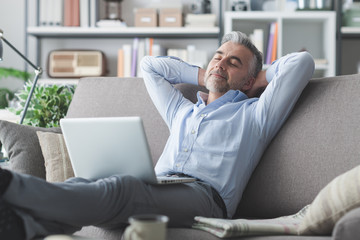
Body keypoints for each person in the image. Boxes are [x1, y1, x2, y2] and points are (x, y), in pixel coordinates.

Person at [0, 31, 314, 240]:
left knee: (121, 188)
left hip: (205, 199)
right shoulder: (182, 111)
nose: (222, 63)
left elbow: (302, 63)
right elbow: (150, 66)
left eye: (234, 62)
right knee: (88, 185)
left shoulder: (255, 115)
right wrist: (205, 74)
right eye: (218, 56)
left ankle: (10, 185)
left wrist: (259, 77)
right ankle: (23, 227)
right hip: (159, 186)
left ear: (249, 80)